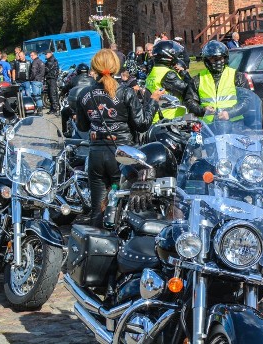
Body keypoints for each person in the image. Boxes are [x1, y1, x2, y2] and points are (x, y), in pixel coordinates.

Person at [76, 49, 163, 225]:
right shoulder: (126, 92)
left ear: (95, 68)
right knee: (123, 206)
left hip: (96, 154)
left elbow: (82, 127)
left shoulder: (84, 94)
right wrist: (153, 100)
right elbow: (142, 124)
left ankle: (97, 246)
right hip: (123, 154)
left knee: (98, 209)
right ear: (116, 67)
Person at [185, 41, 249, 123]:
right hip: (208, 127)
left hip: (234, 124)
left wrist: (230, 113)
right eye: (213, 59)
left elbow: (246, 100)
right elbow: (189, 101)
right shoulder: (198, 79)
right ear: (207, 60)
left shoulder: (237, 76)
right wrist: (202, 110)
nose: (218, 61)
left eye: (220, 58)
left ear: (225, 58)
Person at [145, 40, 195, 121]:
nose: (176, 57)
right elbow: (190, 89)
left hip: (156, 118)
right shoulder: (168, 74)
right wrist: (184, 74)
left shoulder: (153, 72)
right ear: (168, 56)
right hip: (171, 120)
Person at [28, 50, 45, 115]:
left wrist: (30, 79)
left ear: (35, 55)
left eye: (31, 55)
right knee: (39, 96)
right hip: (41, 81)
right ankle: (40, 110)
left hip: (36, 81)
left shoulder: (35, 62)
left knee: (36, 96)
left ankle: (39, 111)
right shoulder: (41, 61)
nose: (31, 57)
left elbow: (33, 72)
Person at [44, 49, 60, 114]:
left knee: (52, 93)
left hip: (52, 78)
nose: (45, 55)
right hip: (50, 78)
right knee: (50, 94)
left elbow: (47, 69)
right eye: (45, 54)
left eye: (46, 54)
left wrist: (43, 66)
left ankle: (55, 108)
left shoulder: (51, 60)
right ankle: (52, 108)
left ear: (50, 53)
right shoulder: (49, 61)